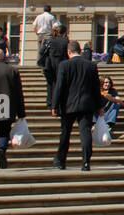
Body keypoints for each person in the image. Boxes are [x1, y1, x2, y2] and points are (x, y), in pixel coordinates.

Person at [51, 40, 101, 172]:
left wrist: (54, 105)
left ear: (68, 52)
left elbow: (59, 86)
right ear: (79, 50)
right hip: (87, 104)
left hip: (68, 104)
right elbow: (96, 87)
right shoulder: (91, 65)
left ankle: (61, 161)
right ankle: (86, 162)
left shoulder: (64, 65)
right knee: (85, 132)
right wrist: (99, 106)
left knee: (65, 133)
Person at [39, 24, 69, 109]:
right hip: (61, 65)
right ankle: (59, 104)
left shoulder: (49, 40)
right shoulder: (65, 41)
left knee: (50, 84)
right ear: (64, 33)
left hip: (49, 66)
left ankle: (50, 103)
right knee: (60, 84)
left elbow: (41, 52)